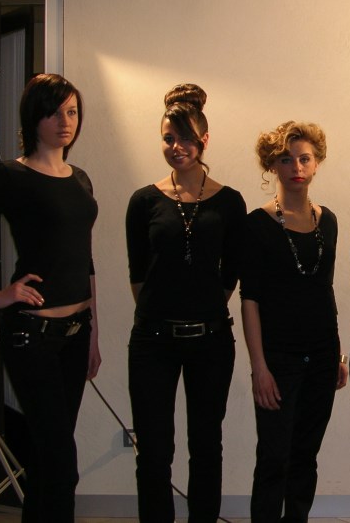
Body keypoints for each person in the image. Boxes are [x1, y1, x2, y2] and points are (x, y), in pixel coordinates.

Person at [0, 73, 99, 522]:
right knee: (61, 464)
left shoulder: (80, 178)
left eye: (72, 111)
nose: (65, 121)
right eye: (54, 112)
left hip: (76, 333)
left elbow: (84, 259)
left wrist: (93, 333)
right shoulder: (10, 177)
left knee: (50, 462)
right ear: (34, 117)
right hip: (32, 336)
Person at [125, 83, 246, 523]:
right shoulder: (143, 200)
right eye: (168, 138)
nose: (177, 147)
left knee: (206, 446)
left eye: (186, 138)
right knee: (154, 450)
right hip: (152, 342)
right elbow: (138, 274)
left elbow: (231, 272)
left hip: (211, 341)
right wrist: (162, 312)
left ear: (204, 140)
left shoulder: (230, 202)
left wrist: (204, 307)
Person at [239, 121, 346, 523]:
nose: (296, 167)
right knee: (273, 458)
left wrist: (337, 354)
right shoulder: (256, 224)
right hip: (278, 360)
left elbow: (324, 291)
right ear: (272, 165)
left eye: (304, 158)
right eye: (286, 160)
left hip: (322, 357)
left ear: (316, 163)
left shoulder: (328, 221)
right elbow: (250, 300)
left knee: (305, 456)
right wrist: (259, 368)